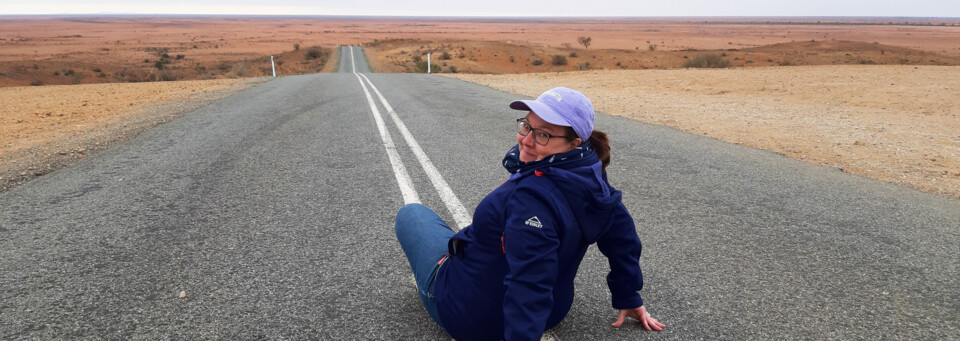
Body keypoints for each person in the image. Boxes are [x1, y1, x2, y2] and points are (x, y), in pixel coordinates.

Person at [395, 87, 664, 340]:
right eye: (526, 126)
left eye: (543, 134)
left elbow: (529, 285)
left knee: (413, 215)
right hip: (553, 310)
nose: (526, 139)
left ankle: (437, 275)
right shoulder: (590, 177)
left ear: (574, 143)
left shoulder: (531, 199)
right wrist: (628, 294)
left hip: (474, 317)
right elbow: (623, 239)